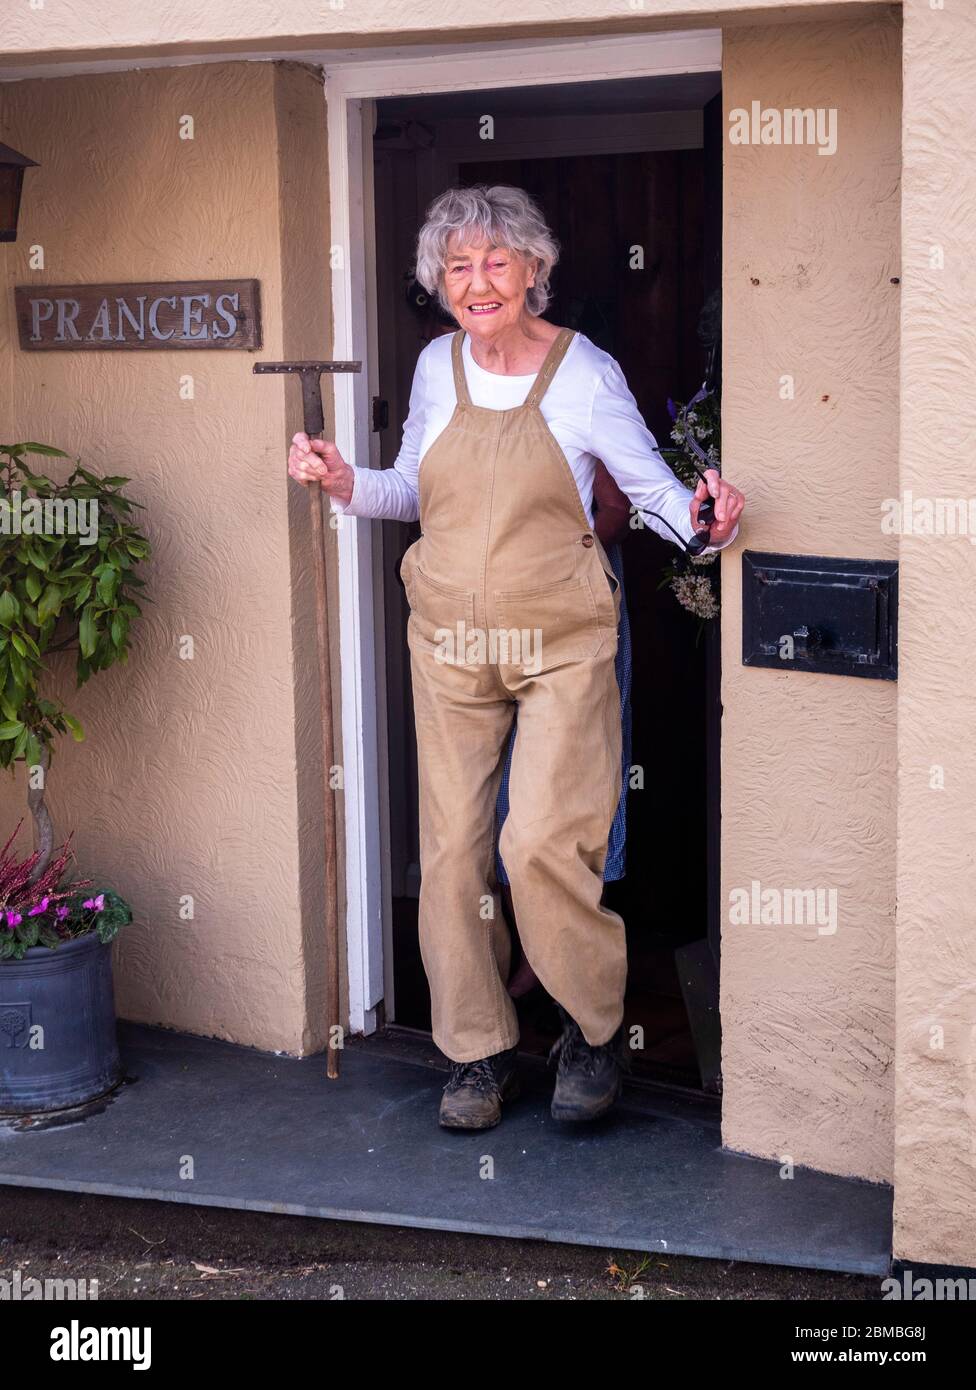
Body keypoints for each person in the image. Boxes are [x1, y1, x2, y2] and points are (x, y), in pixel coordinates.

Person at [288, 184, 745, 1131]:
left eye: (497, 262)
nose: (477, 281)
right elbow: (409, 489)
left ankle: (590, 1028)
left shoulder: (586, 375)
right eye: (459, 266)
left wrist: (704, 526)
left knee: (538, 842)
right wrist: (343, 481)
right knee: (452, 857)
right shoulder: (432, 368)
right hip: (449, 646)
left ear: (534, 270)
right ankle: (478, 1051)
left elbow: (653, 493)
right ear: (439, 282)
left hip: (562, 646)